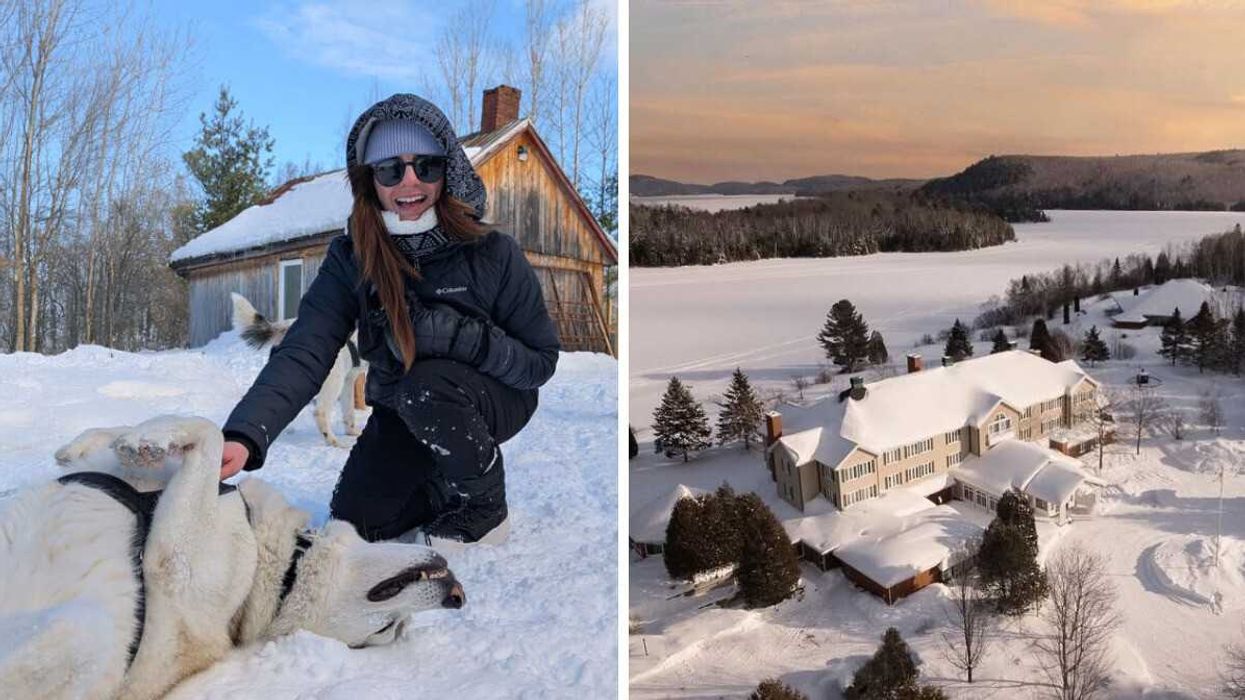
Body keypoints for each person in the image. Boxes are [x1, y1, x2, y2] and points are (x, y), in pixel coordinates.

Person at [218, 93, 560, 548]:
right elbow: (306, 351)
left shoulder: (492, 252)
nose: (409, 182)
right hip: (405, 406)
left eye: (426, 166)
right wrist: (244, 433)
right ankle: (440, 479)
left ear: (449, 168)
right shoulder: (353, 258)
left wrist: (467, 340)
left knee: (426, 385)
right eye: (390, 169)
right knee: (357, 523)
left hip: (492, 400)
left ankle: (485, 509)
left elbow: (540, 362)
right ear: (370, 179)